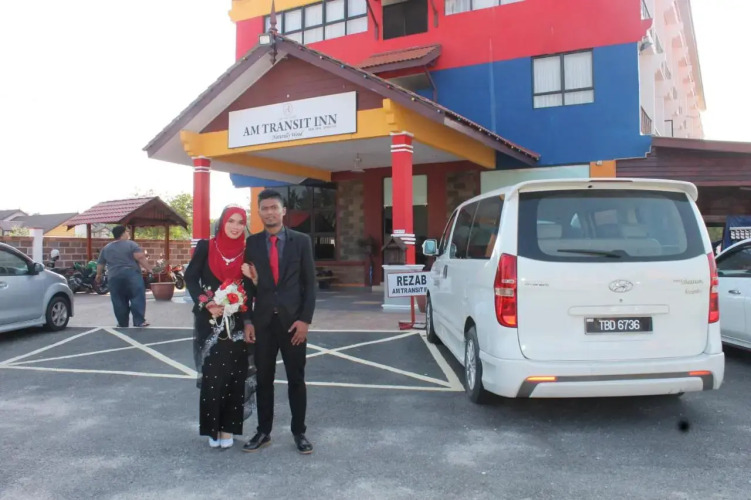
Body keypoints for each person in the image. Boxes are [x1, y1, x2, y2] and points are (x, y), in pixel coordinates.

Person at [241, 189, 317, 455]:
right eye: (265, 208)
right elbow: (248, 287)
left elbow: (310, 284)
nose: (270, 212)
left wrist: (305, 320)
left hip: (293, 323)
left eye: (274, 207)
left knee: (296, 379)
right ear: (259, 212)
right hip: (262, 323)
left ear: (283, 211)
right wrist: (247, 320)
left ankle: (299, 432)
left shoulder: (301, 241)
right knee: (263, 380)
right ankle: (263, 432)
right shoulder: (252, 244)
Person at [184, 206, 256, 449]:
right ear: (222, 222)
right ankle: (212, 429)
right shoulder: (207, 246)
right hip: (210, 319)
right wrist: (207, 303)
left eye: (240, 222)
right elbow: (191, 277)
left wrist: (252, 278)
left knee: (235, 376)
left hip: (238, 321)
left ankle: (228, 429)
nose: (235, 226)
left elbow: (251, 291)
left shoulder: (247, 251)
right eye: (231, 221)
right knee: (213, 376)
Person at [96, 226, 152, 328]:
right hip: (132, 275)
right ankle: (139, 321)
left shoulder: (106, 248)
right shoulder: (131, 244)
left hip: (114, 277)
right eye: (127, 231)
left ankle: (122, 323)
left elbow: (101, 263)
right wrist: (149, 269)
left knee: (118, 300)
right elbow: (140, 257)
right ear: (122, 233)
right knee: (137, 297)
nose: (128, 233)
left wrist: (98, 275)